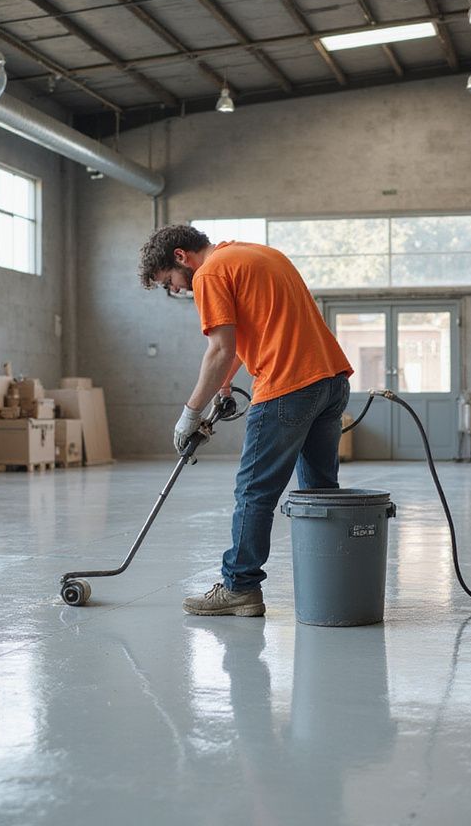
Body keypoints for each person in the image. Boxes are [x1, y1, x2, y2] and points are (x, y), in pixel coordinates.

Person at [138, 224, 353, 617]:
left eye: (170, 282)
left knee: (254, 493)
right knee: (320, 491)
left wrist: (190, 414)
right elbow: (247, 336)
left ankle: (239, 587)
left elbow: (219, 349)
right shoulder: (257, 254)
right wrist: (222, 389)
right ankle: (331, 584)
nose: (178, 291)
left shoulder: (210, 273)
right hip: (330, 381)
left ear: (181, 257)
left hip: (287, 386)